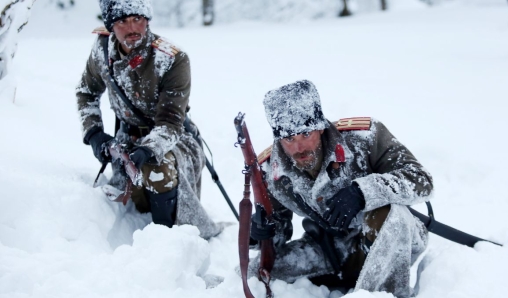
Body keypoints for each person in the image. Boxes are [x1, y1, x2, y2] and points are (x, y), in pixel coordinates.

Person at [249, 80, 433, 297]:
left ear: (319, 126)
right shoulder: (271, 171)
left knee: (391, 213)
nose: (299, 148)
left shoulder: (365, 137)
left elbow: (421, 180)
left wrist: (363, 192)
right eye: (289, 138)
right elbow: (279, 233)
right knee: (255, 275)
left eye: (306, 134)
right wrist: (260, 233)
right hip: (330, 248)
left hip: (391, 239)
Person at [76, 0, 221, 239]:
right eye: (122, 21)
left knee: (158, 170)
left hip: (174, 138)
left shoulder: (172, 58)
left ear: (147, 21)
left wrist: (148, 150)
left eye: (138, 19)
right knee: (134, 196)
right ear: (111, 26)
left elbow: (171, 122)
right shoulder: (102, 49)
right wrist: (94, 133)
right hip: (127, 135)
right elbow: (86, 92)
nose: (132, 28)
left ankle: (166, 238)